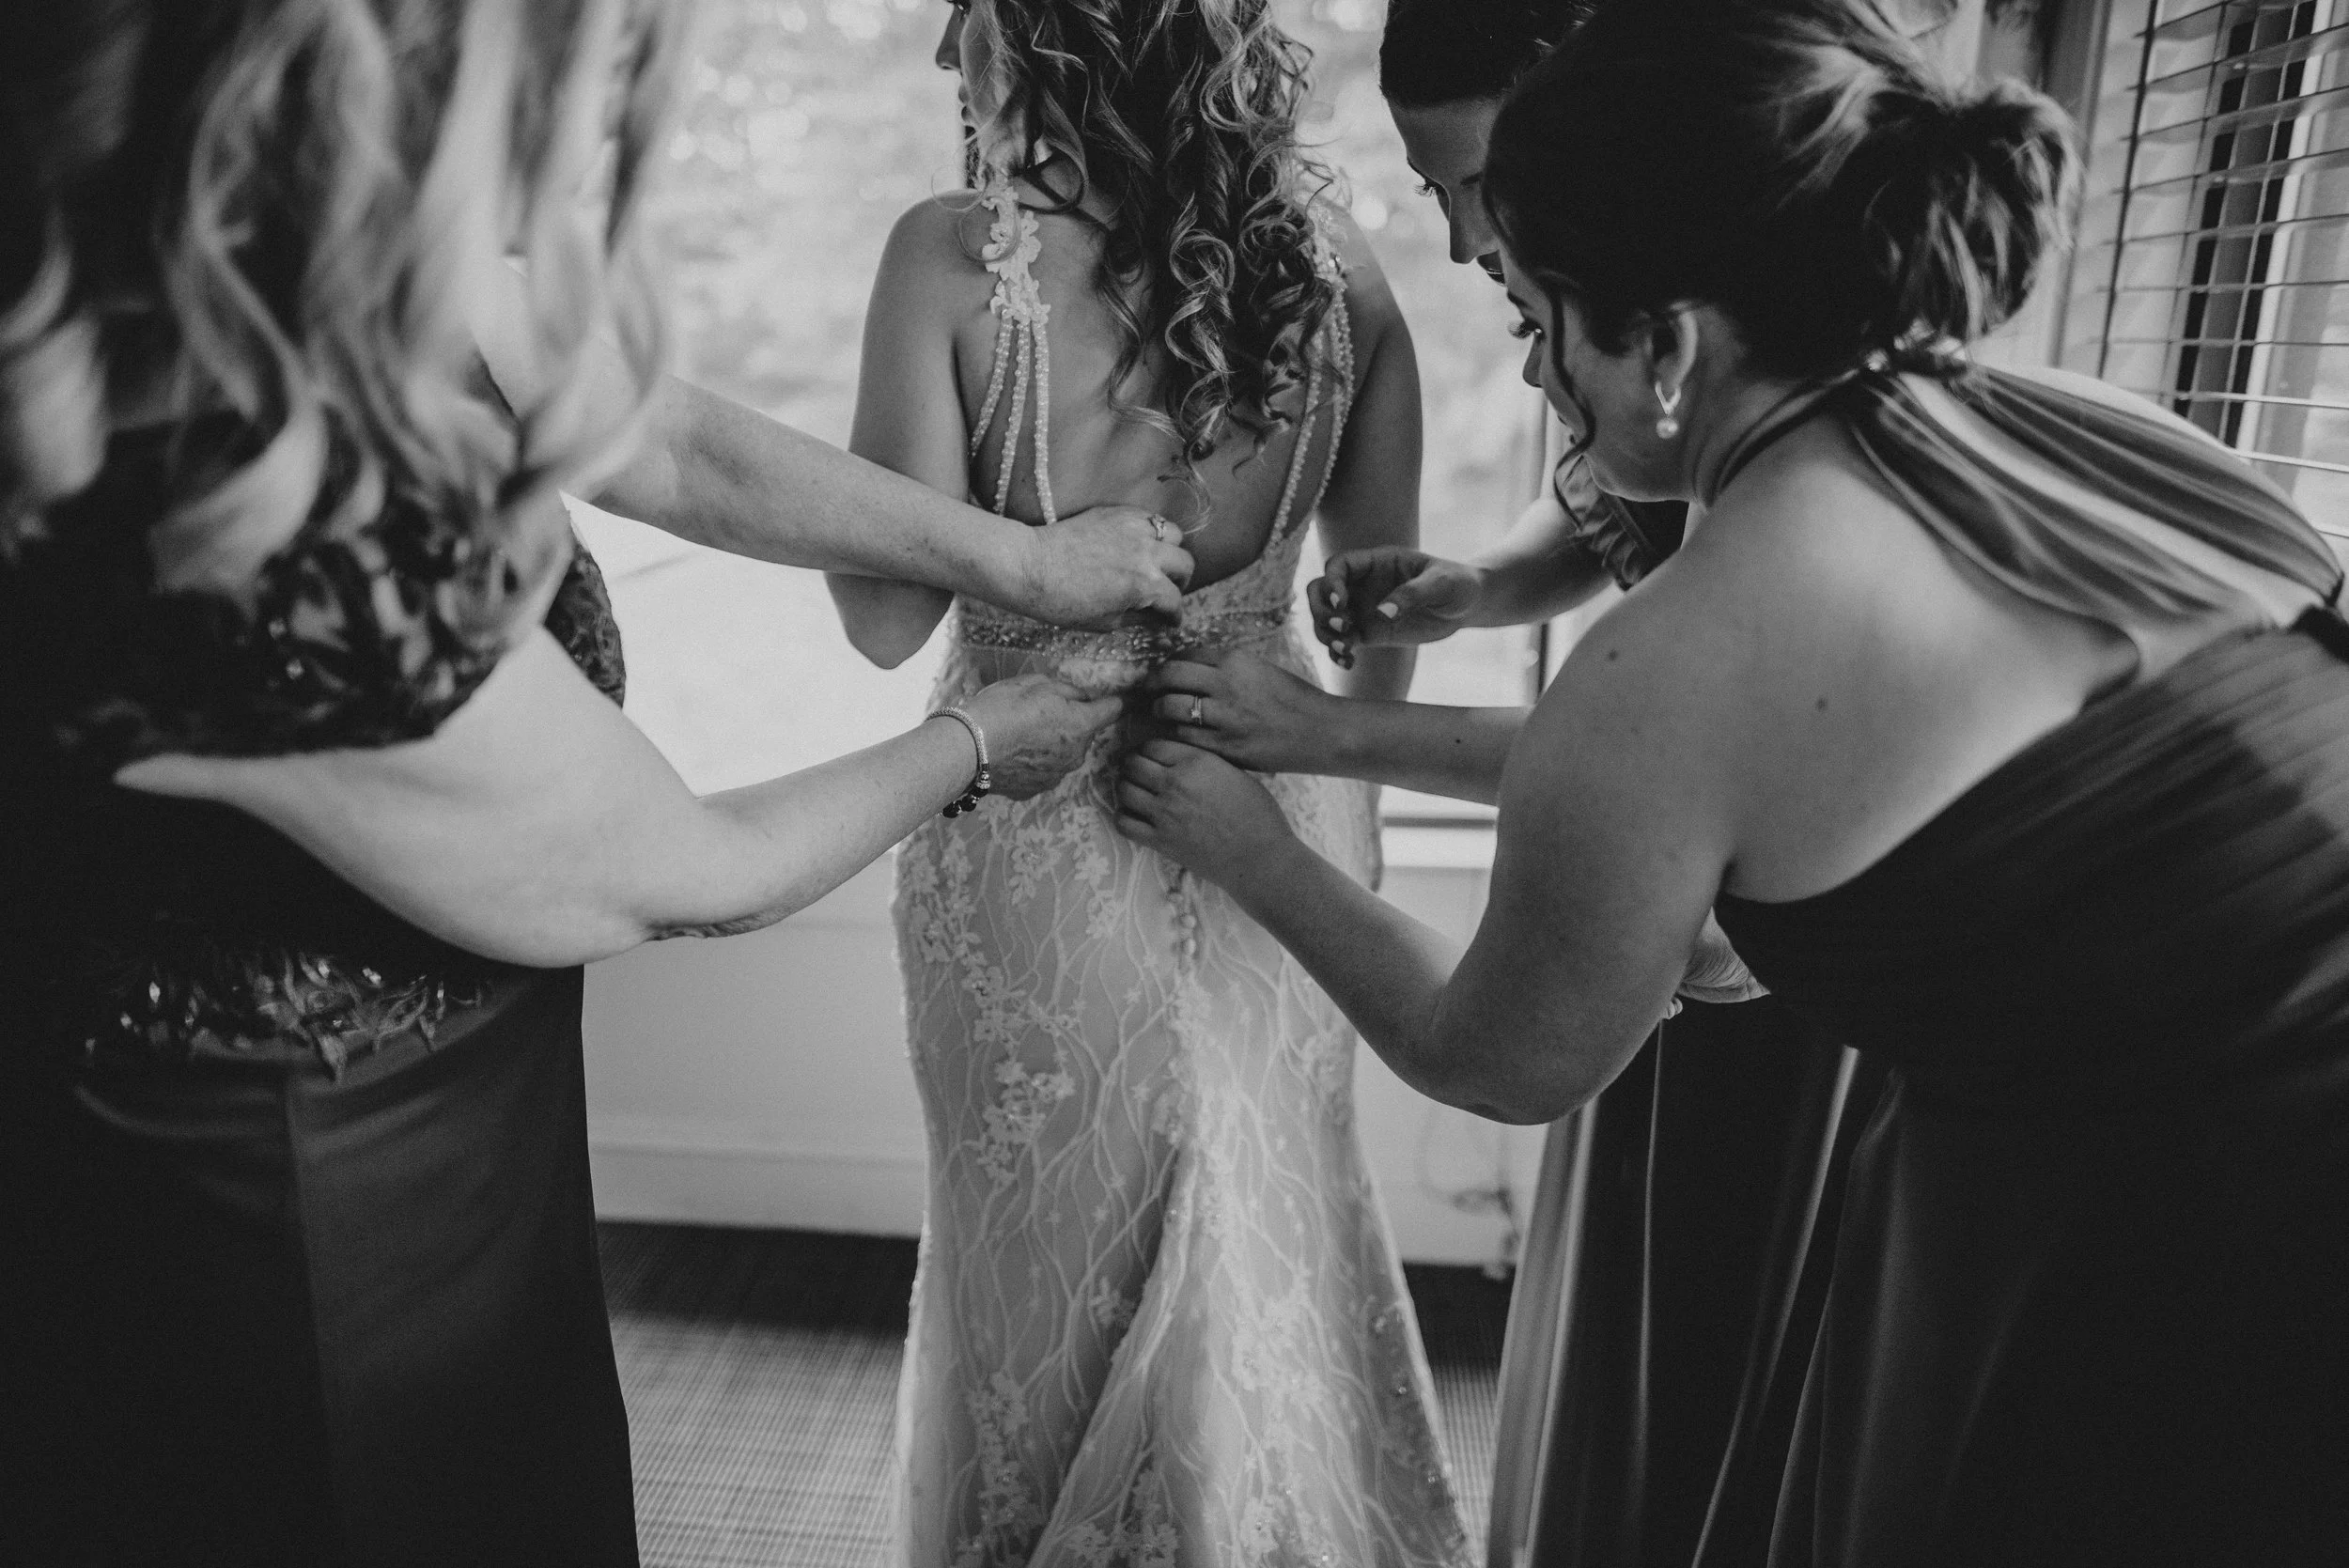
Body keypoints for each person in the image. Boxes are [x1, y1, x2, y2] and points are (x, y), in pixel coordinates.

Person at [1114, 0, 2349, 1561]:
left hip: (2189, 1254)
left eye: (1541, 320)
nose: (1538, 376)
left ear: (1672, 346)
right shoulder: (2097, 432)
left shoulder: (1680, 662)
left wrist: (1253, 849)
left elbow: (1503, 1057)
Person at [0, 4, 1190, 1563]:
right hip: (291, 1187)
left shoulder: (328, 268)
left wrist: (1017, 561)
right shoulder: (239, 540)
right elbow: (685, 868)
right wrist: (977, 740)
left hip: (462, 1095)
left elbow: (673, 449)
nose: (595, 164)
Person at [1138, 7, 1828, 1559]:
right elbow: (1620, 507)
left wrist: (1304, 774)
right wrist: (1476, 590)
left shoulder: (1718, 603)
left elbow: (1512, 1023)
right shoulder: (1715, 344)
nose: (1462, 246)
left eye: (1478, 189)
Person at [826, 2, 1473, 1561]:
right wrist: (1341, 813)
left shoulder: (952, 262)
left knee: (1046, 1267)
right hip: (1281, 793)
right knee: (1270, 1230)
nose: (945, 58)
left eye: (968, 14)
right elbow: (1375, 612)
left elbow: (881, 617)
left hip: (1033, 817)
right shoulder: (1343, 274)